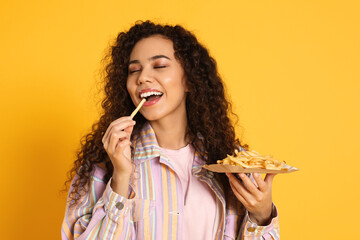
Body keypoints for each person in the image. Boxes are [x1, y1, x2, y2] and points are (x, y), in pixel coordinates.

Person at [61, 20, 280, 240]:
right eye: (134, 70)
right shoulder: (103, 165)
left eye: (159, 66)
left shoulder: (233, 165)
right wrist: (120, 178)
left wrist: (261, 216)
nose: (142, 77)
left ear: (189, 80)